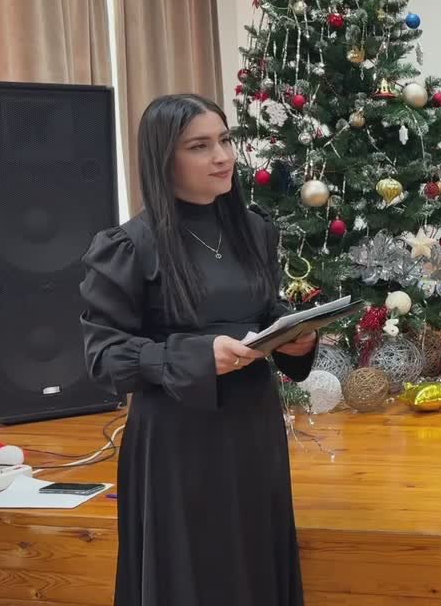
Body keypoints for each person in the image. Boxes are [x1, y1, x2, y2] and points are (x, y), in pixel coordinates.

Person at [79, 94, 319, 606]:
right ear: (164, 159)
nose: (223, 157)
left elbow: (263, 309)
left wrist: (294, 337)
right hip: (178, 440)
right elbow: (104, 355)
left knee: (255, 560)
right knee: (191, 571)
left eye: (225, 140)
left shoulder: (254, 230)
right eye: (200, 146)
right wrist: (194, 357)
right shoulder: (129, 246)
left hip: (253, 429)